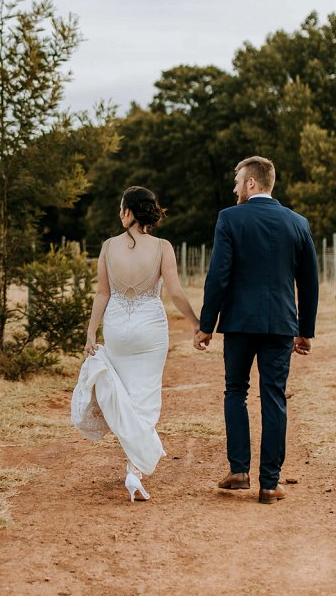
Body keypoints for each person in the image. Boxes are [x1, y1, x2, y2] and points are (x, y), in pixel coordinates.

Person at [194, 156, 319, 504]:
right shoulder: (297, 223)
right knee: (273, 396)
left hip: (238, 323)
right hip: (280, 324)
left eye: (238, 181)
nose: (235, 188)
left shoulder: (229, 219)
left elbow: (218, 275)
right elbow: (309, 282)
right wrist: (305, 330)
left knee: (235, 390)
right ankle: (269, 483)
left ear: (251, 183)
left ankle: (239, 471)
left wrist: (207, 325)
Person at [71, 186, 200, 502]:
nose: (120, 214)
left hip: (117, 326)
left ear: (128, 212)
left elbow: (102, 293)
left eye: (121, 208)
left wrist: (91, 331)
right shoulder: (162, 247)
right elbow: (175, 292)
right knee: (144, 397)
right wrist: (196, 322)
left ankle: (135, 465)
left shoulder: (108, 247)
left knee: (125, 394)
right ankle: (134, 470)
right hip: (150, 328)